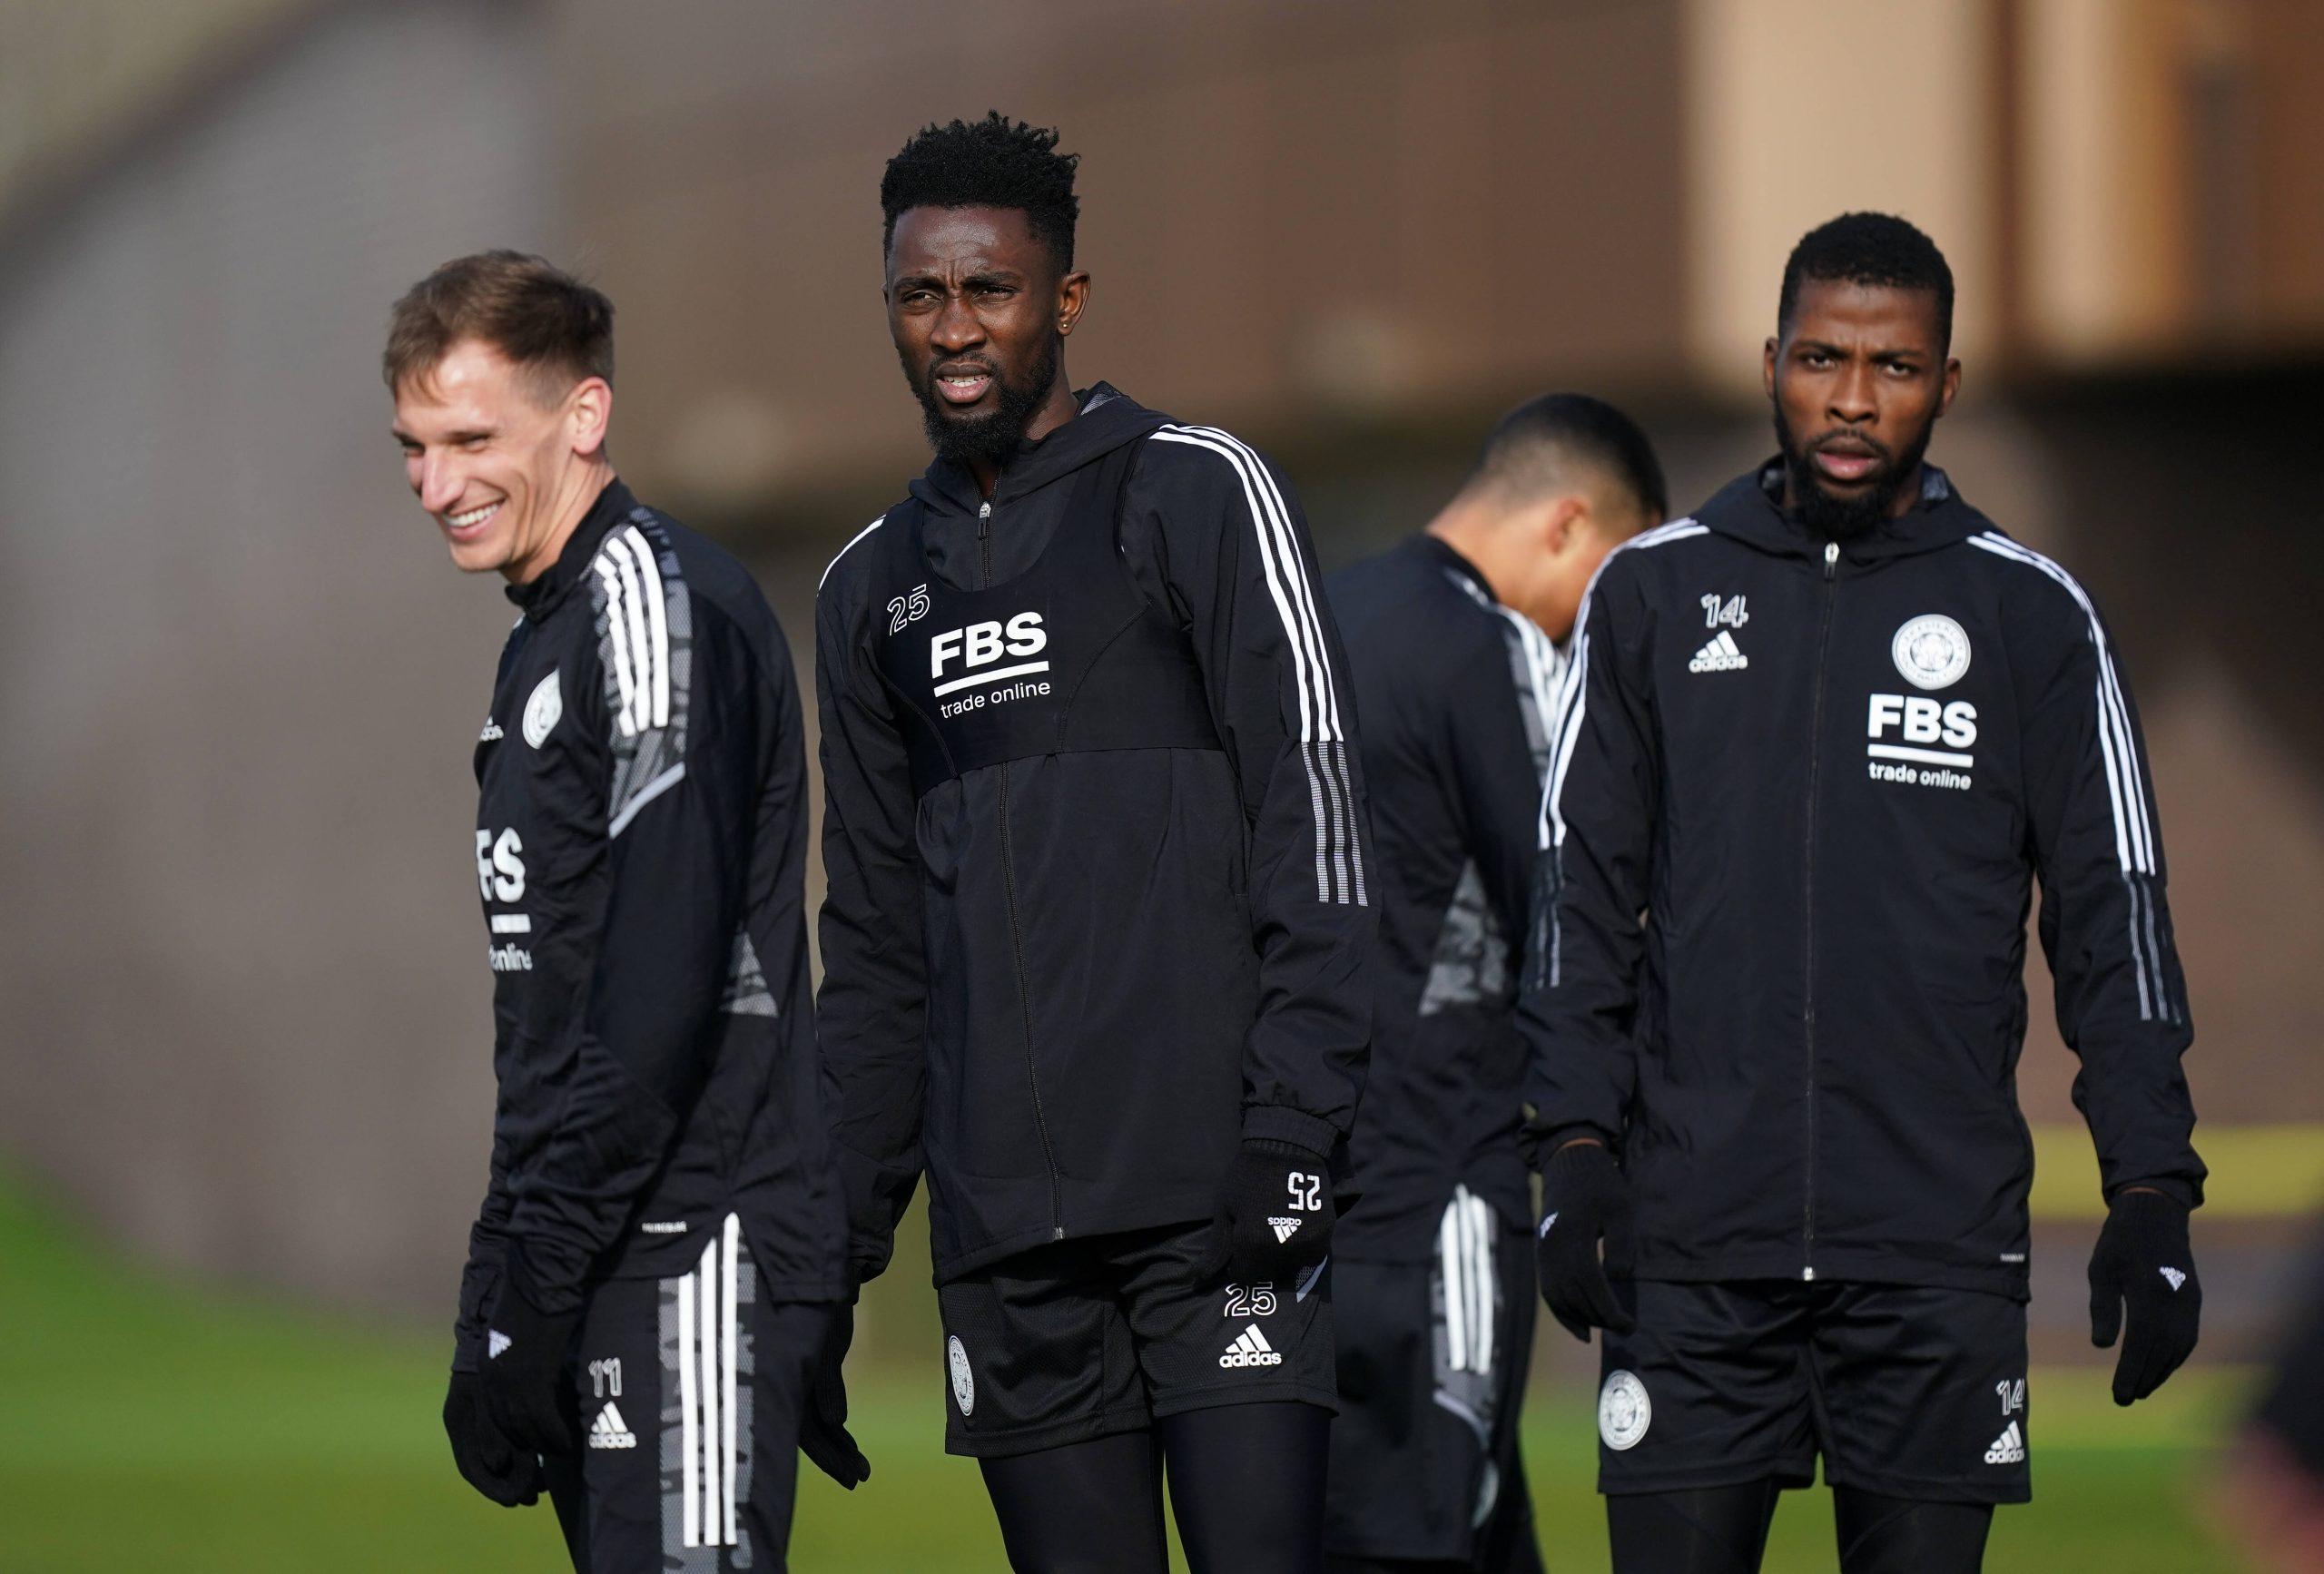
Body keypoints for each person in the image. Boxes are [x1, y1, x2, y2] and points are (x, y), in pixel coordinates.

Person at [1520, 212, 2205, 1574]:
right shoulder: (1650, 595)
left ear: (1947, 383)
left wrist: (2152, 1185)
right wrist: (1577, 1152)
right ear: (1768, 358)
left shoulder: (2032, 617)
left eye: (1894, 367)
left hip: (1932, 1262)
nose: (1850, 398)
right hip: (1696, 1260)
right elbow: (1575, 898)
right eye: (1822, 357)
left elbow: (2113, 911)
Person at [813, 115, 1374, 1574]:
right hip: (1009, 1250)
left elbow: (1315, 829)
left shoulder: (1196, 492)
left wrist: (1293, 1134)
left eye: (988, 290)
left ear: (1063, 298)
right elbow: (875, 945)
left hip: (1219, 1207)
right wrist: (836, 1253)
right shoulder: (868, 592)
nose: (954, 329)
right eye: (920, 296)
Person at [387, 251, 862, 1573]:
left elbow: (659, 986)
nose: (436, 484)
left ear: (583, 415)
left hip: (693, 1247)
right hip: (602, 1245)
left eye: (471, 437)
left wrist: (532, 1270)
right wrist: (503, 1277)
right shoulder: (543, 632)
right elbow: (550, 1010)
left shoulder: (654, 608)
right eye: (414, 446)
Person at [1322, 396, 1665, 1573]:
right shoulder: (1492, 646)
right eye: (1610, 579)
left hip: (1289, 1210)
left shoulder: (1308, 625)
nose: (1597, 627)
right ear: (1568, 525)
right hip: (1440, 1196)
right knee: (1432, 1534)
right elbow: (1570, 904)